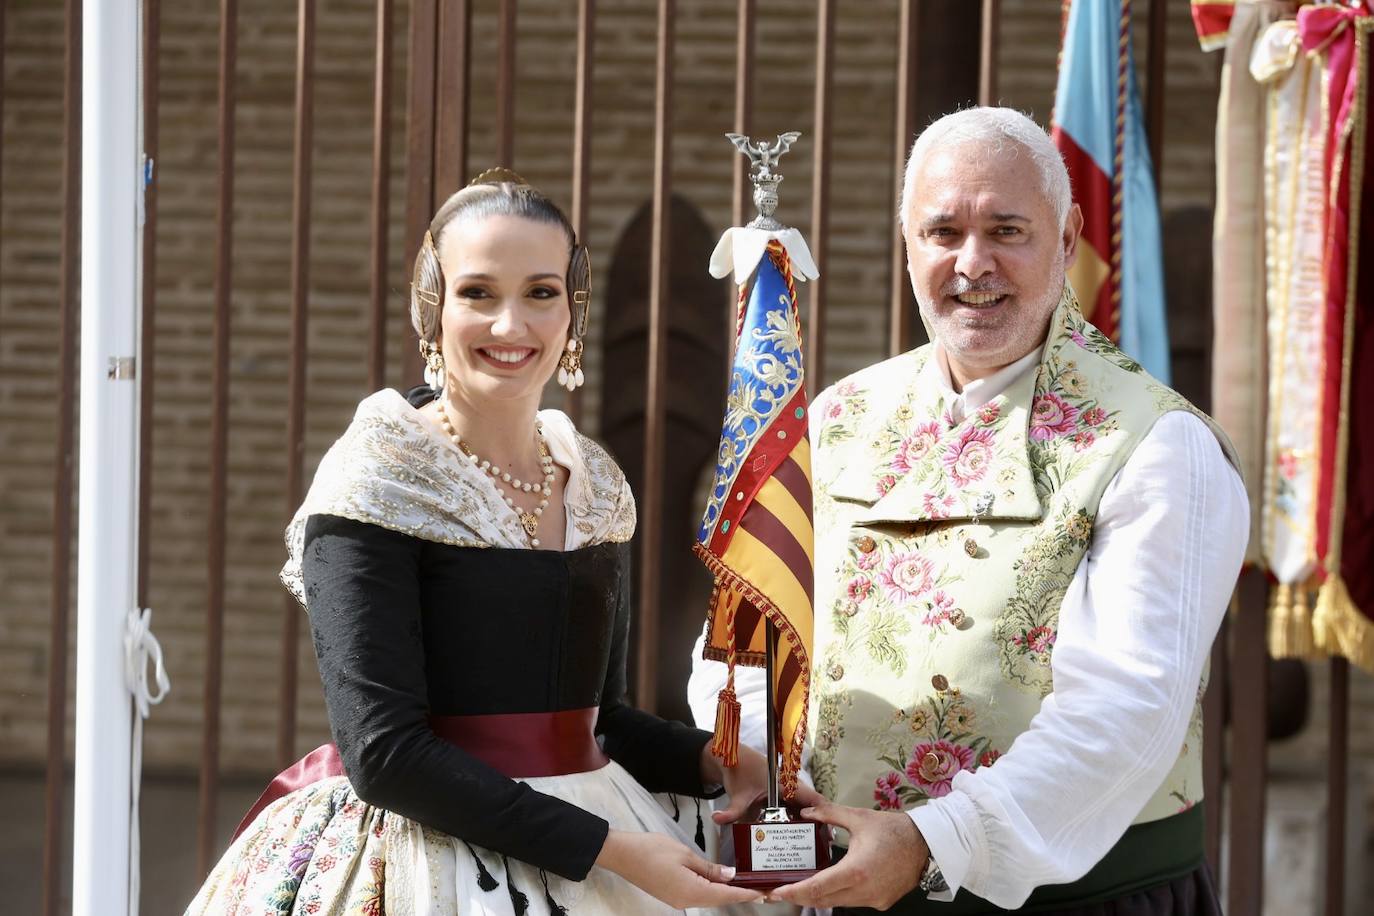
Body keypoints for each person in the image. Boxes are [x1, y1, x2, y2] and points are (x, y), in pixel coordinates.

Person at [690, 108, 1248, 914]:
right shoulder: (837, 418)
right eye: (943, 232)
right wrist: (755, 766)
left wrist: (933, 844)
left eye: (1007, 230)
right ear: (906, 243)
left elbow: (1125, 712)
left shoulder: (1158, 444)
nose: (972, 262)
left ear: (1067, 238)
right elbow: (749, 631)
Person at [187, 170, 771, 915]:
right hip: (425, 857)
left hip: (605, 836)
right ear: (432, 305)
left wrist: (713, 760)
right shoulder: (379, 477)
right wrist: (612, 850)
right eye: (477, 293)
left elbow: (602, 720)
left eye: (540, 292)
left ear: (572, 309)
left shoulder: (593, 483)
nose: (510, 326)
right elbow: (386, 755)